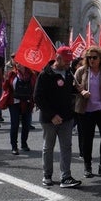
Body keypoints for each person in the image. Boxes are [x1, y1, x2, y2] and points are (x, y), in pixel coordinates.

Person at [34, 46, 82, 188]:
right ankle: (47, 175)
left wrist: (77, 89)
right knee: (48, 147)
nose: (69, 63)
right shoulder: (45, 74)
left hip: (66, 117)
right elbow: (38, 97)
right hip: (50, 119)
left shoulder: (68, 73)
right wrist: (52, 115)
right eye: (67, 61)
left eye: (70, 60)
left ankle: (66, 176)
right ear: (58, 58)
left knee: (66, 147)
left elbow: (66, 90)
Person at [74, 45, 101, 178]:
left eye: (94, 57)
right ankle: (87, 166)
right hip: (86, 110)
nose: (91, 60)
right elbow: (75, 85)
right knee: (87, 139)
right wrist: (82, 91)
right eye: (89, 57)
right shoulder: (81, 71)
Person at [1, 61, 36, 155]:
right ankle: (14, 146)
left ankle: (24, 144)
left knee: (26, 125)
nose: (18, 65)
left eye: (20, 63)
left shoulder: (32, 74)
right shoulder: (12, 74)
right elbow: (5, 87)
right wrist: (5, 79)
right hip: (14, 102)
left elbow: (35, 88)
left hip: (27, 102)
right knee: (14, 124)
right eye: (17, 63)